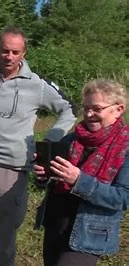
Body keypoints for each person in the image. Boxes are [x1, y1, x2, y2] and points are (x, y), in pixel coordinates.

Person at [0, 26, 77, 266]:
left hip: (13, 170)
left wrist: (49, 141)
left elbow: (69, 109)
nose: (8, 56)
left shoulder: (37, 85)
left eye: (15, 52)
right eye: (4, 50)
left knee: (6, 232)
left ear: (24, 53)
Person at [33, 80, 128, 266]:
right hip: (56, 223)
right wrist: (44, 175)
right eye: (86, 108)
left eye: (97, 108)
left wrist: (79, 180)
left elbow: (123, 197)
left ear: (118, 109)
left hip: (90, 231)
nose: (89, 114)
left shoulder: (125, 146)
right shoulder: (72, 139)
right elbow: (51, 182)